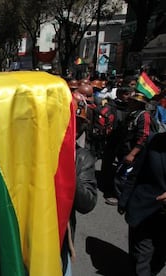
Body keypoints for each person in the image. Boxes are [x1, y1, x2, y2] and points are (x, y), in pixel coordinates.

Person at [62, 92, 98, 276]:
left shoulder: (82, 157)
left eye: (78, 124)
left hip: (59, 244)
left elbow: (88, 203)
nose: (71, 128)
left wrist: (65, 172)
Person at [123, 132, 166, 276]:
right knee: (140, 259)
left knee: (158, 259)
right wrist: (124, 200)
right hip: (144, 210)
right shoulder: (155, 140)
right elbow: (137, 172)